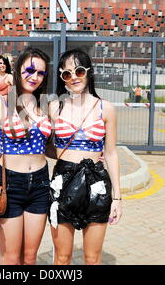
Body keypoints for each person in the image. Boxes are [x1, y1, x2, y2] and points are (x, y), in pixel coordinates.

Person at [47, 48, 122, 265]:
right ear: (62, 78)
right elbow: (42, 145)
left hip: (96, 184)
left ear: (88, 72)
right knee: (61, 258)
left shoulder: (106, 109)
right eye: (67, 74)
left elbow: (110, 153)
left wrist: (117, 198)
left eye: (79, 71)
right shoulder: (54, 107)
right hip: (62, 181)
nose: (74, 78)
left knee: (92, 258)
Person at [0, 47, 51, 265]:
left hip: (40, 184)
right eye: (29, 70)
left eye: (40, 73)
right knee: (11, 258)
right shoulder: (0, 104)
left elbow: (47, 148)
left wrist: (89, 154)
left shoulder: (46, 104)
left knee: (29, 258)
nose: (34, 76)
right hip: (10, 184)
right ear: (18, 70)